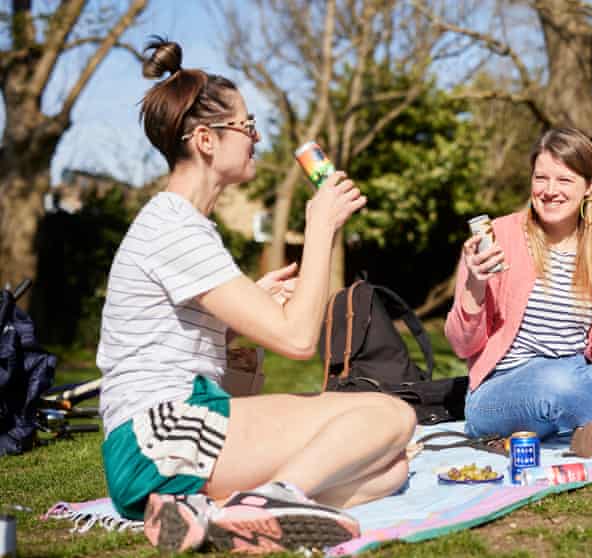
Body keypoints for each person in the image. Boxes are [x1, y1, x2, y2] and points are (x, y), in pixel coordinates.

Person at [97, 38, 416, 555]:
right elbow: (296, 339)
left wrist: (235, 323)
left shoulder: (182, 225)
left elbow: (177, 338)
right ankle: (265, 503)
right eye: (246, 126)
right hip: (157, 437)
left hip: (160, 444)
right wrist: (320, 227)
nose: (257, 137)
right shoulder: (174, 228)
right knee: (389, 417)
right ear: (205, 139)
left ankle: (210, 516)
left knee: (387, 469)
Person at [444, 127, 592, 458]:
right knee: (561, 380)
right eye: (541, 178)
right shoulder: (497, 237)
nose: (550, 191)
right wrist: (474, 286)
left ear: (589, 187)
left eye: (564, 180)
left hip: (582, 376)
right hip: (504, 392)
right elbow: (460, 345)